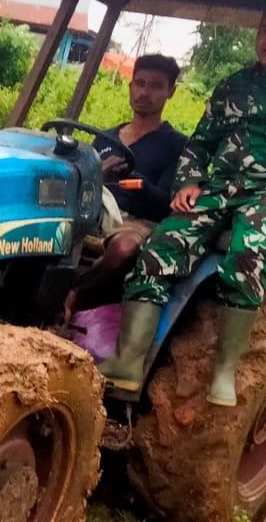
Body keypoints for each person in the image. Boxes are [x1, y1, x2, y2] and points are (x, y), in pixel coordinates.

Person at [98, 0, 266, 407]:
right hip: (222, 189)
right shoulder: (235, 85)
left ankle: (223, 373)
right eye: (265, 30)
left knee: (249, 249)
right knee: (162, 244)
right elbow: (200, 143)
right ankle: (126, 365)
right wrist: (189, 181)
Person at [61, 54, 188, 322]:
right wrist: (99, 173)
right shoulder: (106, 138)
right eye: (139, 83)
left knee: (124, 248)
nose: (145, 92)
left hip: (137, 222)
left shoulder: (176, 145)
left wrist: (138, 182)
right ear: (130, 87)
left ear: (170, 92)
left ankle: (74, 295)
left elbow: (167, 203)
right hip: (93, 210)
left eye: (155, 86)